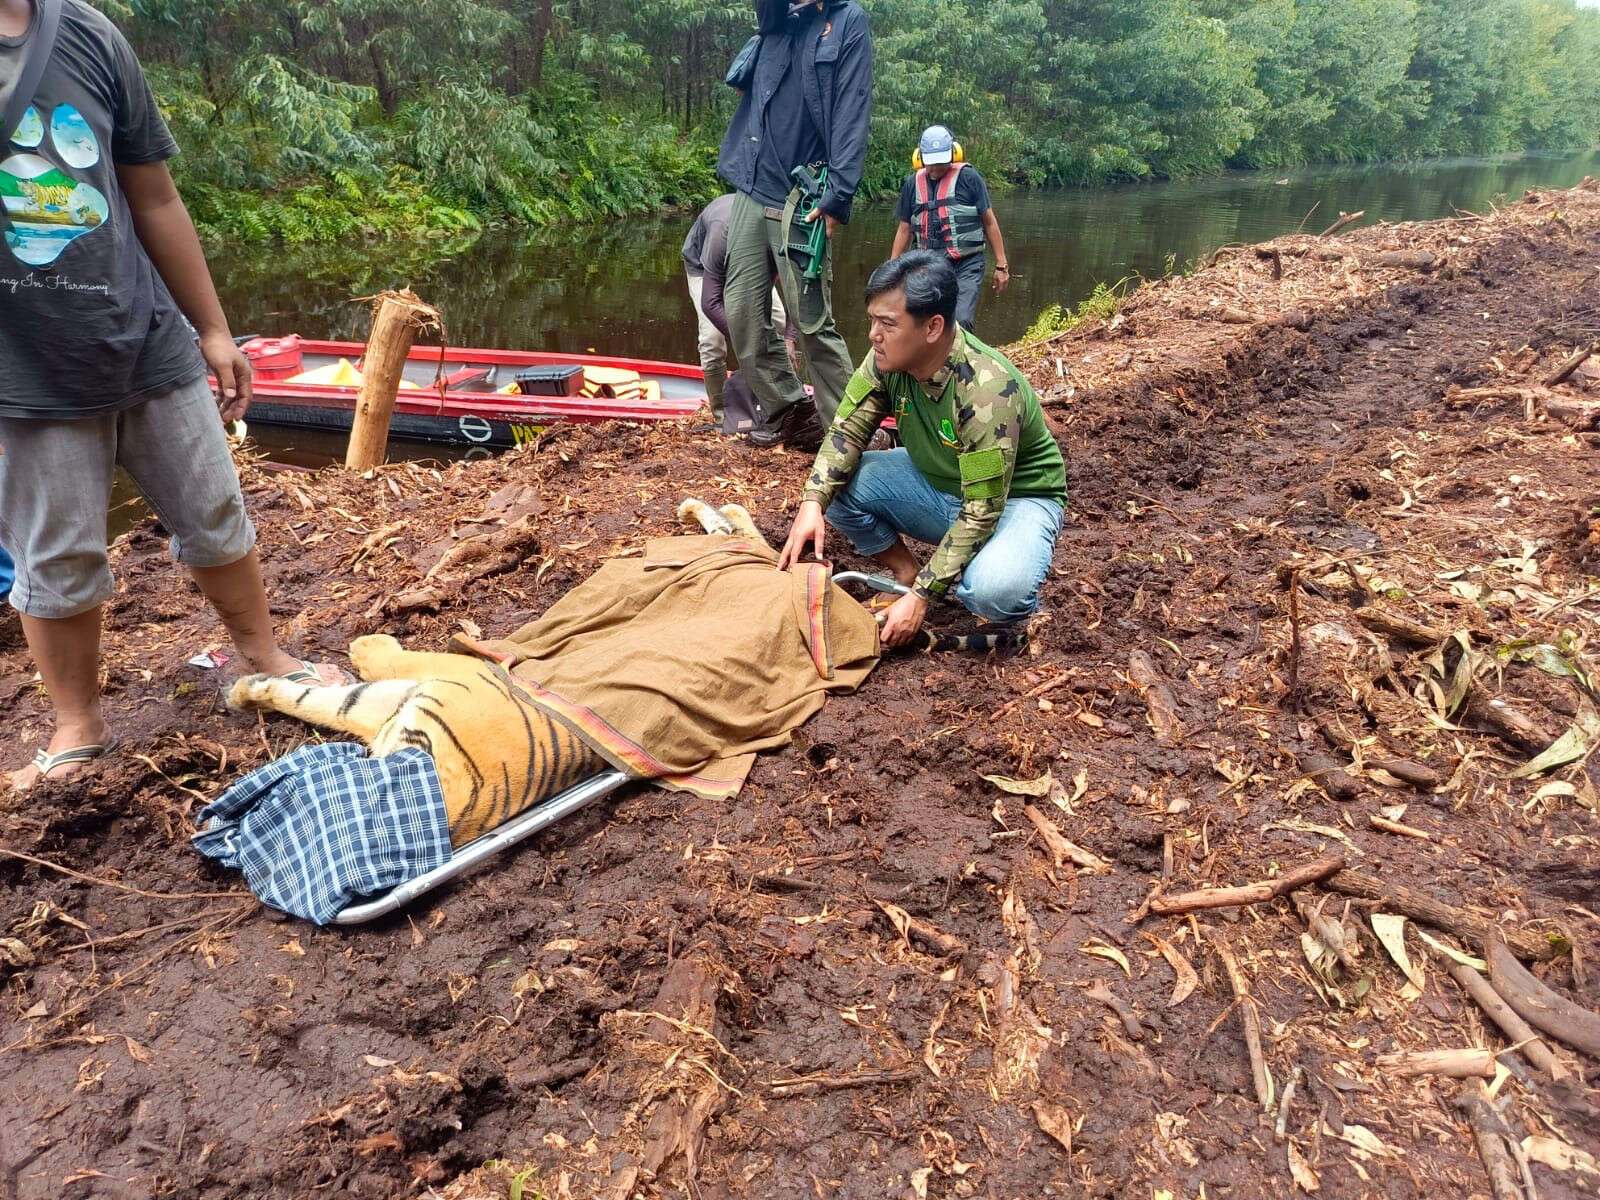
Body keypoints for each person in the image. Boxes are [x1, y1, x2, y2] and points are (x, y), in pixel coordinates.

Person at [0, 0, 341, 790]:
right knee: (57, 554)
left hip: (146, 337)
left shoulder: (86, 33)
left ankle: (262, 655)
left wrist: (213, 328)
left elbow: (153, 194)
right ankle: (78, 726)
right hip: (27, 369)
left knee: (215, 509)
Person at [777, 252, 1066, 648]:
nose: (873, 335)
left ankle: (1007, 602)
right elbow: (846, 431)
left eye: (888, 324)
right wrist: (812, 503)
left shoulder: (987, 389)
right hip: (939, 483)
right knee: (835, 485)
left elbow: (982, 511)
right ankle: (907, 573)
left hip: (1014, 501)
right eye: (873, 320)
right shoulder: (885, 359)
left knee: (995, 592)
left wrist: (922, 600)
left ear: (932, 327)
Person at [716, 0, 872, 447]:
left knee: (811, 323)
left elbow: (851, 108)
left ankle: (851, 431)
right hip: (752, 183)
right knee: (743, 314)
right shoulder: (778, 16)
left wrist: (839, 193)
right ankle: (793, 412)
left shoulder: (847, 22)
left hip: (803, 193)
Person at [681, 192, 798, 429]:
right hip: (705, 269)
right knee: (712, 340)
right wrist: (746, 342)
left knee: (777, 318)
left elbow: (797, 295)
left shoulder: (782, 234)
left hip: (752, 263)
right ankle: (722, 416)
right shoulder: (721, 234)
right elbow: (711, 302)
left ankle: (777, 402)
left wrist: (789, 339)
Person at [889, 125, 1009, 332]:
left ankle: (960, 362)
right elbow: (904, 229)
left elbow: (989, 221)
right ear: (921, 158)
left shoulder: (969, 179)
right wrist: (892, 270)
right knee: (923, 322)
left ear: (953, 155)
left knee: (961, 321)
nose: (935, 169)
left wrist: (1001, 265)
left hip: (966, 263)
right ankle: (930, 363)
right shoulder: (912, 184)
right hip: (927, 265)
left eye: (941, 163)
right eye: (931, 164)